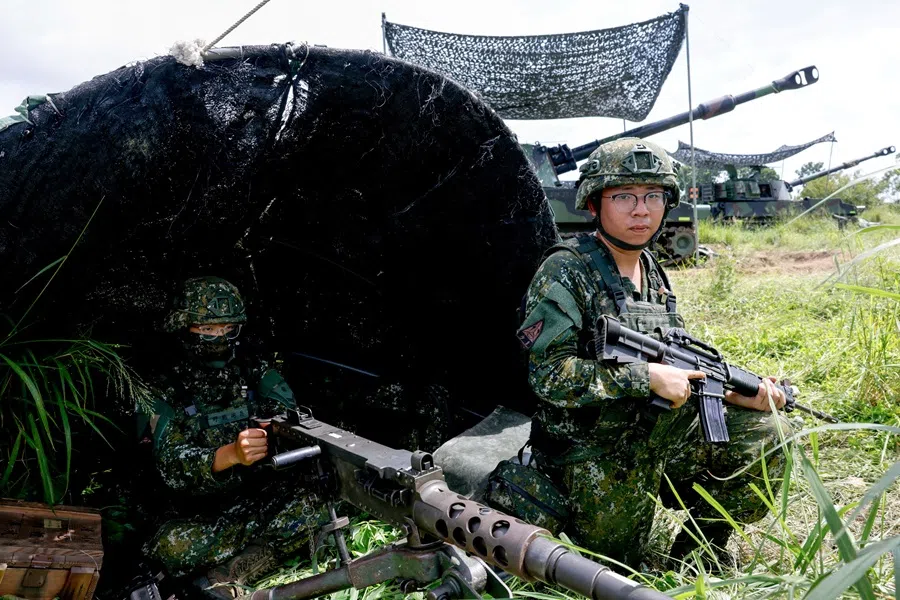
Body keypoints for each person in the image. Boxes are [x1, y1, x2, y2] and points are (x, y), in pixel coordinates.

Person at [514, 138, 791, 570]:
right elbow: (548, 374)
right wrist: (643, 378)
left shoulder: (653, 271)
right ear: (593, 203)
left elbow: (676, 362)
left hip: (655, 433)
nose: (640, 210)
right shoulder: (566, 271)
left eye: (653, 196)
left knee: (770, 435)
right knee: (615, 568)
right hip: (592, 449)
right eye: (623, 196)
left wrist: (734, 394)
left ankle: (700, 552)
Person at [139, 276, 328, 599]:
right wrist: (229, 455)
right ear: (183, 327)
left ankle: (228, 574)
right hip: (193, 515)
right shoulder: (161, 387)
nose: (219, 338)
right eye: (208, 330)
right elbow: (170, 465)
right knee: (173, 547)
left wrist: (275, 430)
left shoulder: (252, 369)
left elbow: (289, 412)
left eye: (228, 329)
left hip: (253, 500)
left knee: (319, 505)